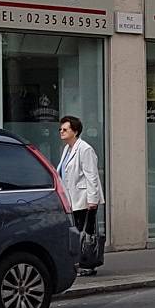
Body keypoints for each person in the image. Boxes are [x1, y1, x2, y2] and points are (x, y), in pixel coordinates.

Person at [56, 114, 104, 275]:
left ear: (75, 132)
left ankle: (87, 264)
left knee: (86, 234)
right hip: (71, 199)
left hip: (84, 199)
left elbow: (92, 176)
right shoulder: (67, 149)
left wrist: (92, 201)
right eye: (60, 129)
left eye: (65, 129)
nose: (61, 132)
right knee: (76, 233)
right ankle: (79, 262)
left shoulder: (85, 149)